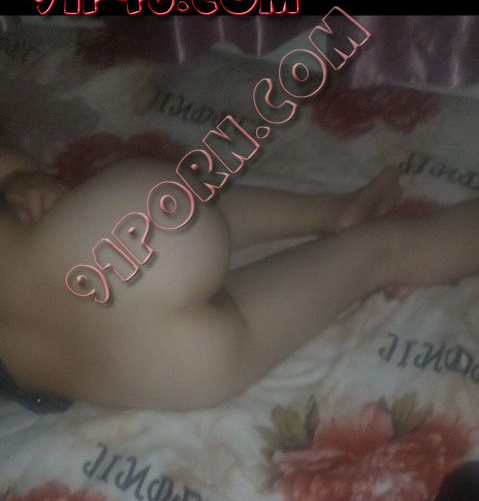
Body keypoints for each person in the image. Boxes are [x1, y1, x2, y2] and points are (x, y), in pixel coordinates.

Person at [0, 146, 478, 414]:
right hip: (112, 235)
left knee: (379, 253)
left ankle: (335, 214)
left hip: (151, 371)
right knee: (175, 216)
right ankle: (330, 212)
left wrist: (16, 182)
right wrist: (17, 178)